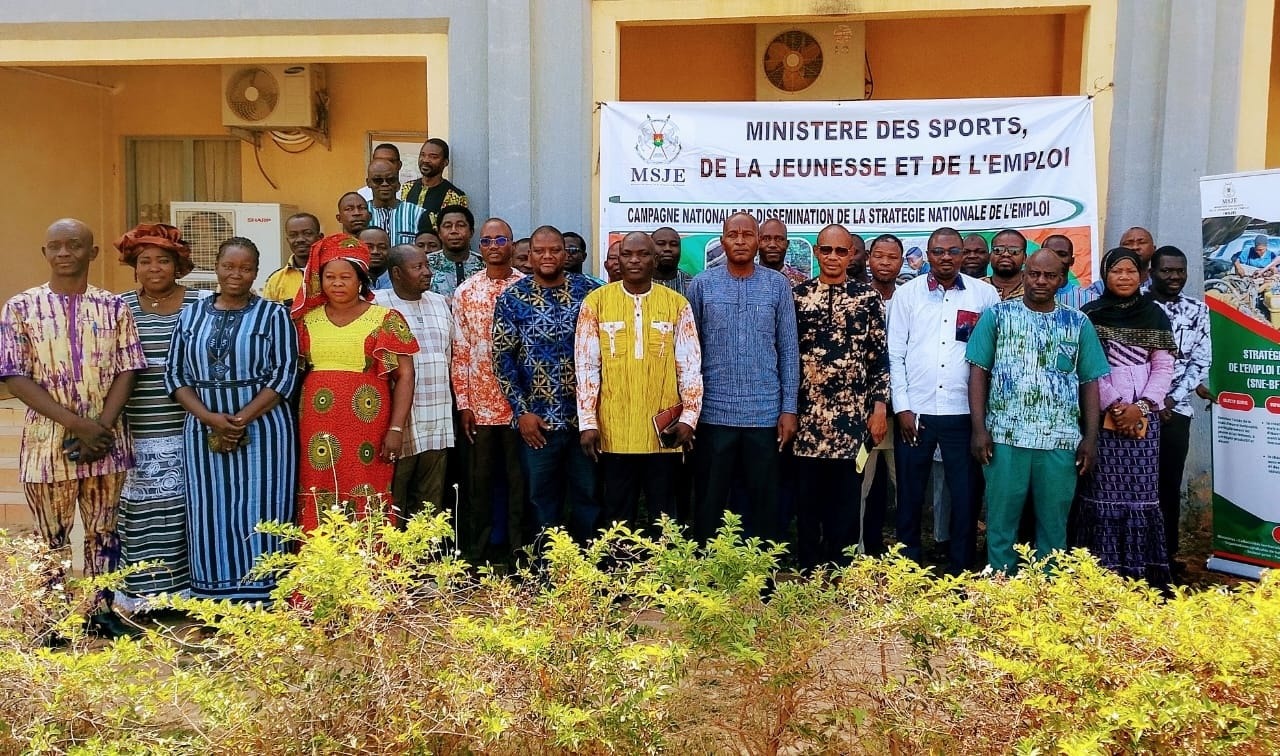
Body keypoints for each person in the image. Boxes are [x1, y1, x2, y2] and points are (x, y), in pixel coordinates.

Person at [1, 218, 147, 636]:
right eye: (56, 247)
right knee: (51, 535)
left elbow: (127, 369)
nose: (65, 253)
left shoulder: (114, 307)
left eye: (75, 246)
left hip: (108, 442)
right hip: (47, 444)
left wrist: (100, 427)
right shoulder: (21, 307)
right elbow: (14, 376)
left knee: (104, 530)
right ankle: (51, 620)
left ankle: (100, 613)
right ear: (44, 253)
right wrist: (76, 425)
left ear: (92, 253)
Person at [166, 236, 298, 602]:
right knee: (210, 509)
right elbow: (175, 375)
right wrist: (210, 418)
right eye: (229, 267)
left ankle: (263, 595)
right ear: (217, 267)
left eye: (245, 268)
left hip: (266, 428)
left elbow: (284, 375)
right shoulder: (190, 314)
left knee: (263, 505)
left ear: (256, 272)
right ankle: (214, 598)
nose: (236, 275)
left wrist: (239, 419)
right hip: (202, 427)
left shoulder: (274, 315)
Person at [967, 250, 1109, 573]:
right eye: (1034, 274)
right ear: (1024, 274)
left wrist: (1090, 438)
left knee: (1054, 524)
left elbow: (1089, 382)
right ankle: (1002, 588)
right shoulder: (997, 316)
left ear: (1062, 280)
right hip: (1005, 437)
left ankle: (1048, 595)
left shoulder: (1078, 323)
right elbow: (978, 372)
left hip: (1060, 441)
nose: (1040, 281)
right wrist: (979, 429)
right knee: (1001, 522)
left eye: (1049, 276)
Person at [887, 226, 999, 573]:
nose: (945, 258)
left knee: (964, 496)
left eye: (953, 251)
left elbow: (993, 357)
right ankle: (908, 566)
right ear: (928, 255)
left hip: (963, 413)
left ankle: (960, 567)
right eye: (938, 251)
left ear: (964, 254)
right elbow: (895, 355)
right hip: (916, 413)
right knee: (910, 493)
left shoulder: (984, 296)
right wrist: (902, 407)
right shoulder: (908, 294)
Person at [291, 234, 419, 532]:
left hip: (367, 423)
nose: (337, 283)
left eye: (345, 276)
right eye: (329, 277)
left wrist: (396, 429)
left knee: (366, 486)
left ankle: (371, 570)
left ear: (361, 279)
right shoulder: (305, 320)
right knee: (318, 485)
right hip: (316, 423)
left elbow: (405, 376)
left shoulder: (385, 318)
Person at [686, 212, 799, 543]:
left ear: (758, 241)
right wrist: (691, 411)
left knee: (763, 503)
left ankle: (759, 580)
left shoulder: (777, 285)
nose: (739, 241)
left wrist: (788, 408)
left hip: (764, 415)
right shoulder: (702, 284)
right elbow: (690, 353)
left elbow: (789, 351)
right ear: (722, 241)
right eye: (732, 234)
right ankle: (710, 575)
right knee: (710, 501)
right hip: (713, 414)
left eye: (747, 235)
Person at [576, 231, 702, 529]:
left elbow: (690, 366)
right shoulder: (596, 303)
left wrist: (689, 418)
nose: (635, 260)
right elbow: (586, 367)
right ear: (617, 260)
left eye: (643, 254)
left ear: (655, 259)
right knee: (618, 515)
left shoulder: (676, 304)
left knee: (664, 515)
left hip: (664, 431)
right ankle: (620, 570)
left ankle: (664, 573)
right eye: (627, 255)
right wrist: (588, 423)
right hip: (614, 428)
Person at [114, 223, 208, 611]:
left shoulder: (202, 303)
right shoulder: (119, 307)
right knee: (140, 512)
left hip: (192, 427)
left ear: (178, 265)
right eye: (145, 261)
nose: (154, 268)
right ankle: (140, 596)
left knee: (188, 510)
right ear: (134, 266)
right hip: (136, 427)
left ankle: (185, 594)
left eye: (163, 260)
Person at [1074, 247, 1178, 585]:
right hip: (1103, 419)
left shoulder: (1156, 315)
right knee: (1103, 493)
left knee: (1142, 494)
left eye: (1131, 271)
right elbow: (1090, 367)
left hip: (1144, 422)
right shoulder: (1090, 314)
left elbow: (1163, 366)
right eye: (1116, 271)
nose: (1124, 277)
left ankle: (1140, 573)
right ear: (1105, 275)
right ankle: (1102, 573)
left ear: (1142, 275)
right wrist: (1116, 406)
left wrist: (1143, 406)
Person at [492, 225, 600, 539]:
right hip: (537, 424)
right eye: (540, 251)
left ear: (566, 254)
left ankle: (586, 570)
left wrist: (595, 412)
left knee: (588, 497)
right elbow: (502, 359)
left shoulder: (591, 292)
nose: (548, 256)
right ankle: (545, 572)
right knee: (541, 501)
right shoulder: (513, 298)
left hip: (585, 419)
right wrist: (521, 412)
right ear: (528, 256)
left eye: (555, 250)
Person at [792, 224, 889, 570]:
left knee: (846, 502)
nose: (833, 257)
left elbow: (879, 359)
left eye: (841, 251)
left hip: (851, 423)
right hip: (807, 422)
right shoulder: (798, 297)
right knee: (807, 502)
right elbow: (788, 357)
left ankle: (839, 571)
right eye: (827, 250)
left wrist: (879, 409)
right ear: (817, 253)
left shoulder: (867, 298)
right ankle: (808, 569)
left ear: (852, 255)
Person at [451, 219, 527, 562]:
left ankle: (519, 555)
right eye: (486, 241)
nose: (494, 245)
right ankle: (476, 556)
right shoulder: (465, 291)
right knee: (478, 486)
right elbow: (461, 351)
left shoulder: (528, 288)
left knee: (519, 485)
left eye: (501, 239)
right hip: (479, 408)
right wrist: (464, 404)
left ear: (511, 244)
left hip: (520, 409)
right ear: (479, 248)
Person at [373, 244, 455, 520]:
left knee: (430, 502)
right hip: (399, 423)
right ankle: (394, 560)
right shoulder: (377, 305)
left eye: (427, 265)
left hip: (438, 418)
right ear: (396, 273)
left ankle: (426, 559)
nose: (427, 272)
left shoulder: (440, 303)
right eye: (418, 267)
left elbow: (452, 354)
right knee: (394, 499)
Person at [1148, 245, 1212, 578]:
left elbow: (1201, 360)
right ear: (1151, 273)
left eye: (1180, 271)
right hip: (1139, 410)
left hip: (1177, 411)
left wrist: (1171, 399)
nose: (1174, 277)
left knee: (1168, 485)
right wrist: (1152, 401)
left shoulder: (1198, 310)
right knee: (1139, 485)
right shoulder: (1138, 306)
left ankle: (1166, 556)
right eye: (1166, 271)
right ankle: (1137, 554)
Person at [858, 234, 905, 556]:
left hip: (901, 413)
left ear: (902, 262)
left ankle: (905, 555)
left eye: (892, 257)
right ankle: (857, 552)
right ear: (868, 260)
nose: (885, 263)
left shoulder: (910, 299)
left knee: (905, 484)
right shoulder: (857, 298)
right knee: (859, 486)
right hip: (863, 413)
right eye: (879, 256)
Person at [403, 138, 469, 234]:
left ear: (445, 162)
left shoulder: (454, 196)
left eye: (433, 157)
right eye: (422, 155)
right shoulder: (407, 187)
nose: (425, 160)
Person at [262, 213, 322, 304]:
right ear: (288, 240)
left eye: (307, 233)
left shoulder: (334, 274)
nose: (300, 239)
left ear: (320, 237)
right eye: (293, 235)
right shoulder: (276, 280)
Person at [365, 159, 425, 247]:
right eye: (377, 180)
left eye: (391, 180)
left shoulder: (417, 214)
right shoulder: (361, 213)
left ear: (398, 183)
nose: (384, 184)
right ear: (368, 183)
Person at [428, 204, 485, 298]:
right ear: (439, 233)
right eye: (447, 226)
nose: (454, 231)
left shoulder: (484, 265)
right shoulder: (426, 265)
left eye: (460, 225)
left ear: (471, 232)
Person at [1043, 234, 1094, 309]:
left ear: (1072, 261)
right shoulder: (1024, 297)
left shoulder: (1090, 299)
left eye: (1062, 254)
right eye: (1049, 254)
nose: (1055, 259)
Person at [757, 218, 807, 285]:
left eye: (779, 239)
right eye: (766, 239)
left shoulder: (803, 283)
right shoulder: (746, 279)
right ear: (757, 243)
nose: (772, 245)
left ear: (787, 244)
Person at [983, 228, 1027, 301]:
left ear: (1024, 258)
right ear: (990, 256)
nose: (1005, 254)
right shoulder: (975, 288)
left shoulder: (1034, 289)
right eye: (998, 250)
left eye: (1014, 251)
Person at [652, 226, 693, 294]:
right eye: (661, 244)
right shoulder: (637, 282)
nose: (667, 248)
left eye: (674, 244)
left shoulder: (691, 284)